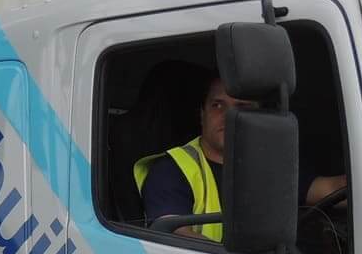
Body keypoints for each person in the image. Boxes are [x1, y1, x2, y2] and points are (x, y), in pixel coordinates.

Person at [135, 75, 346, 241]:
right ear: (202, 115)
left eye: (242, 107)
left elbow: (330, 190)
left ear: (260, 118)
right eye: (218, 105)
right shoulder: (172, 170)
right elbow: (174, 236)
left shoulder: (268, 166)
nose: (229, 116)